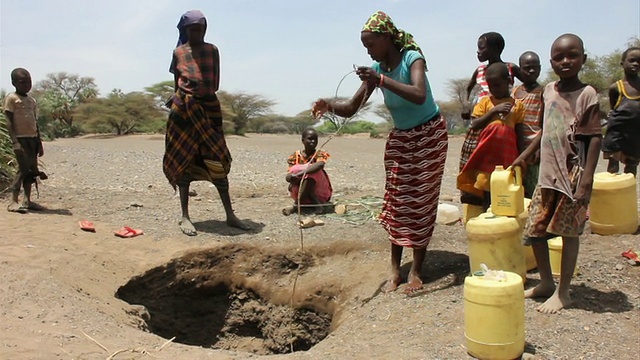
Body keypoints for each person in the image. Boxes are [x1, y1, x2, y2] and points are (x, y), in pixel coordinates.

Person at [311, 11, 448, 294]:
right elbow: (351, 107)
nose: (368, 50)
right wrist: (328, 105)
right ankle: (394, 268)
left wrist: (381, 80)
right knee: (396, 199)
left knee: (422, 199)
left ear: (387, 38)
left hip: (429, 134)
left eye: (371, 44)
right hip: (401, 137)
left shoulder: (412, 58)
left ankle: (417, 269)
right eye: (365, 47)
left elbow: (419, 93)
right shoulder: (377, 68)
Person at [512, 34, 602, 314]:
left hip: (572, 177)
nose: (565, 61)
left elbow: (595, 138)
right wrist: (524, 157)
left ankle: (564, 293)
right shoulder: (549, 89)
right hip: (546, 175)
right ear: (551, 61)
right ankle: (547, 283)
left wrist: (586, 179)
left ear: (583, 59)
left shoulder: (587, 94)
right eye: (559, 57)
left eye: (572, 55)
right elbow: (544, 129)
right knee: (536, 231)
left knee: (568, 234)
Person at [163, 10, 249, 236]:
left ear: (205, 29)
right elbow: (177, 83)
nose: (197, 33)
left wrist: (201, 96)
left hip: (209, 109)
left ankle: (230, 215)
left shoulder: (212, 51)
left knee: (216, 159)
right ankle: (185, 216)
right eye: (192, 30)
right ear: (185, 30)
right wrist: (177, 98)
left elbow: (215, 83)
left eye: (200, 29)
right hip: (183, 110)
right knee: (184, 157)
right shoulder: (178, 52)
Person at [459, 32, 521, 206]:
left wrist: (521, 101)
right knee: (477, 159)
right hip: (483, 116)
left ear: (495, 48)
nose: (478, 52)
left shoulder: (510, 67)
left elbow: (529, 82)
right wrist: (465, 104)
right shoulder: (480, 71)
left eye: (481, 47)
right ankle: (475, 197)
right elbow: (469, 87)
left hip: (507, 116)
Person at [3, 68, 47, 214]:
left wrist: (39, 142)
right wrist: (15, 142)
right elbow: (9, 122)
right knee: (22, 170)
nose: (27, 85)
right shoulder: (11, 98)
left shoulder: (31, 101)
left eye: (29, 82)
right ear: (14, 83)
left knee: (32, 171)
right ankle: (13, 201)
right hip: (20, 139)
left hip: (32, 139)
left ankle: (27, 201)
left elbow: (35, 122)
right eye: (23, 82)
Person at [602, 46, 640, 177]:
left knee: (631, 167)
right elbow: (614, 108)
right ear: (622, 63)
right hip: (616, 133)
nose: (636, 64)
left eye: (639, 61)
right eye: (632, 60)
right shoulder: (616, 87)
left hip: (635, 134)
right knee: (612, 167)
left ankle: (627, 194)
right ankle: (612, 195)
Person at [512, 51, 544, 197]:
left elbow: (545, 123)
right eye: (527, 67)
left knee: (534, 186)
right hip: (518, 146)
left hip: (535, 147)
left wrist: (539, 148)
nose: (531, 71)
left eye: (535, 67)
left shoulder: (543, 93)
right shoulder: (515, 92)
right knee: (519, 186)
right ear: (520, 69)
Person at [282, 128, 333, 216]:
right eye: (310, 139)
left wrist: (300, 174)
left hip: (320, 192)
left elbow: (320, 165)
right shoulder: (295, 156)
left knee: (312, 172)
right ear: (303, 140)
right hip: (300, 191)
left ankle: (295, 206)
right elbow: (289, 175)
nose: (313, 141)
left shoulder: (319, 154)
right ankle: (317, 205)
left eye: (315, 139)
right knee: (300, 172)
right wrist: (292, 177)